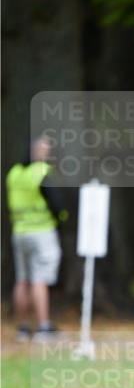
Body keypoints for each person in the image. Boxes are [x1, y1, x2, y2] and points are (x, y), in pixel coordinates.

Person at [6, 134, 67, 340]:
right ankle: (43, 327)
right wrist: (63, 218)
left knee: (22, 280)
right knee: (39, 279)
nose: (47, 151)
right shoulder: (40, 172)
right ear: (36, 150)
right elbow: (56, 204)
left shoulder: (14, 173)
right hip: (41, 232)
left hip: (19, 232)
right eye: (44, 147)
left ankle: (22, 328)